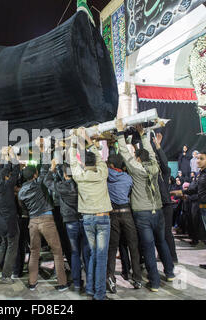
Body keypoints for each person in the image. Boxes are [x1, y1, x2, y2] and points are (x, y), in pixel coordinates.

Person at [116, 119, 175, 292]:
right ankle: (170, 272)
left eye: (136, 156)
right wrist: (142, 136)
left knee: (148, 247)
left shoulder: (136, 169)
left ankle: (155, 282)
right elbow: (149, 152)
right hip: (158, 211)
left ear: (138, 158)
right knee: (161, 242)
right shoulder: (154, 167)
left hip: (142, 214)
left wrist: (120, 133)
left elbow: (125, 154)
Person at [69, 128, 112, 300]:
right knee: (100, 257)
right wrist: (88, 140)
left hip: (87, 219)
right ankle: (99, 294)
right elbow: (99, 158)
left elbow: (72, 160)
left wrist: (74, 142)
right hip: (102, 218)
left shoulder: (79, 175)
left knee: (93, 254)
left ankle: (90, 289)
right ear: (95, 162)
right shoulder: (102, 173)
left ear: (83, 164)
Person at [18, 159, 68, 292]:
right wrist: (49, 161)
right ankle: (62, 283)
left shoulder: (21, 192)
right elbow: (45, 171)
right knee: (57, 251)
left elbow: (23, 208)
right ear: (35, 175)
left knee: (34, 252)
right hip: (47, 220)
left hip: (33, 222)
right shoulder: (39, 183)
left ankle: (32, 283)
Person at [44, 159, 89, 293]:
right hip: (83, 219)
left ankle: (76, 283)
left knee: (74, 253)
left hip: (70, 222)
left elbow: (47, 182)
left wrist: (51, 168)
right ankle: (90, 283)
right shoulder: (81, 184)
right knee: (86, 254)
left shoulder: (62, 187)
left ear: (64, 175)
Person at [105, 153, 142, 292]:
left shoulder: (106, 176)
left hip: (113, 214)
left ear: (111, 165)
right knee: (133, 246)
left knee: (112, 248)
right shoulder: (128, 178)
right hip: (127, 213)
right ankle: (137, 278)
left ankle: (111, 278)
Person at [0, 147, 20, 283]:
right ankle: (6, 275)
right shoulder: (7, 185)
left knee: (3, 243)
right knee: (12, 245)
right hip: (8, 220)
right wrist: (11, 155)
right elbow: (16, 170)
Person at [152, 132, 178, 263]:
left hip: (166, 205)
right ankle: (162, 254)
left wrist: (158, 146)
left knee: (167, 233)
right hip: (157, 205)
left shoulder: (165, 173)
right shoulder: (151, 174)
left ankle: (172, 257)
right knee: (158, 233)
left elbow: (163, 161)